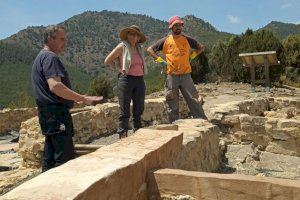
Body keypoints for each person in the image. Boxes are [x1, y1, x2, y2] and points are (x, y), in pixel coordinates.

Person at [32, 25, 103, 172]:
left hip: (47, 114)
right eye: (62, 39)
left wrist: (72, 99)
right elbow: (55, 86)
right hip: (57, 114)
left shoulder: (40, 57)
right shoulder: (50, 57)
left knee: (50, 158)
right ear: (50, 39)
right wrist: (83, 98)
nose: (65, 42)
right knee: (63, 161)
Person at [147, 15, 207, 122]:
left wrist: (192, 56)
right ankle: (175, 125)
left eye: (180, 25)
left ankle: (203, 122)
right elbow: (150, 50)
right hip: (171, 76)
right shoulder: (165, 40)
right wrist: (160, 61)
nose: (178, 27)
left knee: (193, 100)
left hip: (186, 75)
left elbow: (201, 47)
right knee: (172, 102)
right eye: (176, 25)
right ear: (171, 27)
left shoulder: (187, 39)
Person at [104, 25, 148, 139]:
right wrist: (119, 69)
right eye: (131, 34)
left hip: (139, 79)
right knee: (125, 109)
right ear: (127, 35)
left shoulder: (140, 48)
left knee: (139, 107)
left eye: (136, 35)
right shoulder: (122, 47)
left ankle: (137, 132)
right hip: (126, 79)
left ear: (138, 37)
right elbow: (108, 60)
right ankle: (123, 134)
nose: (133, 36)